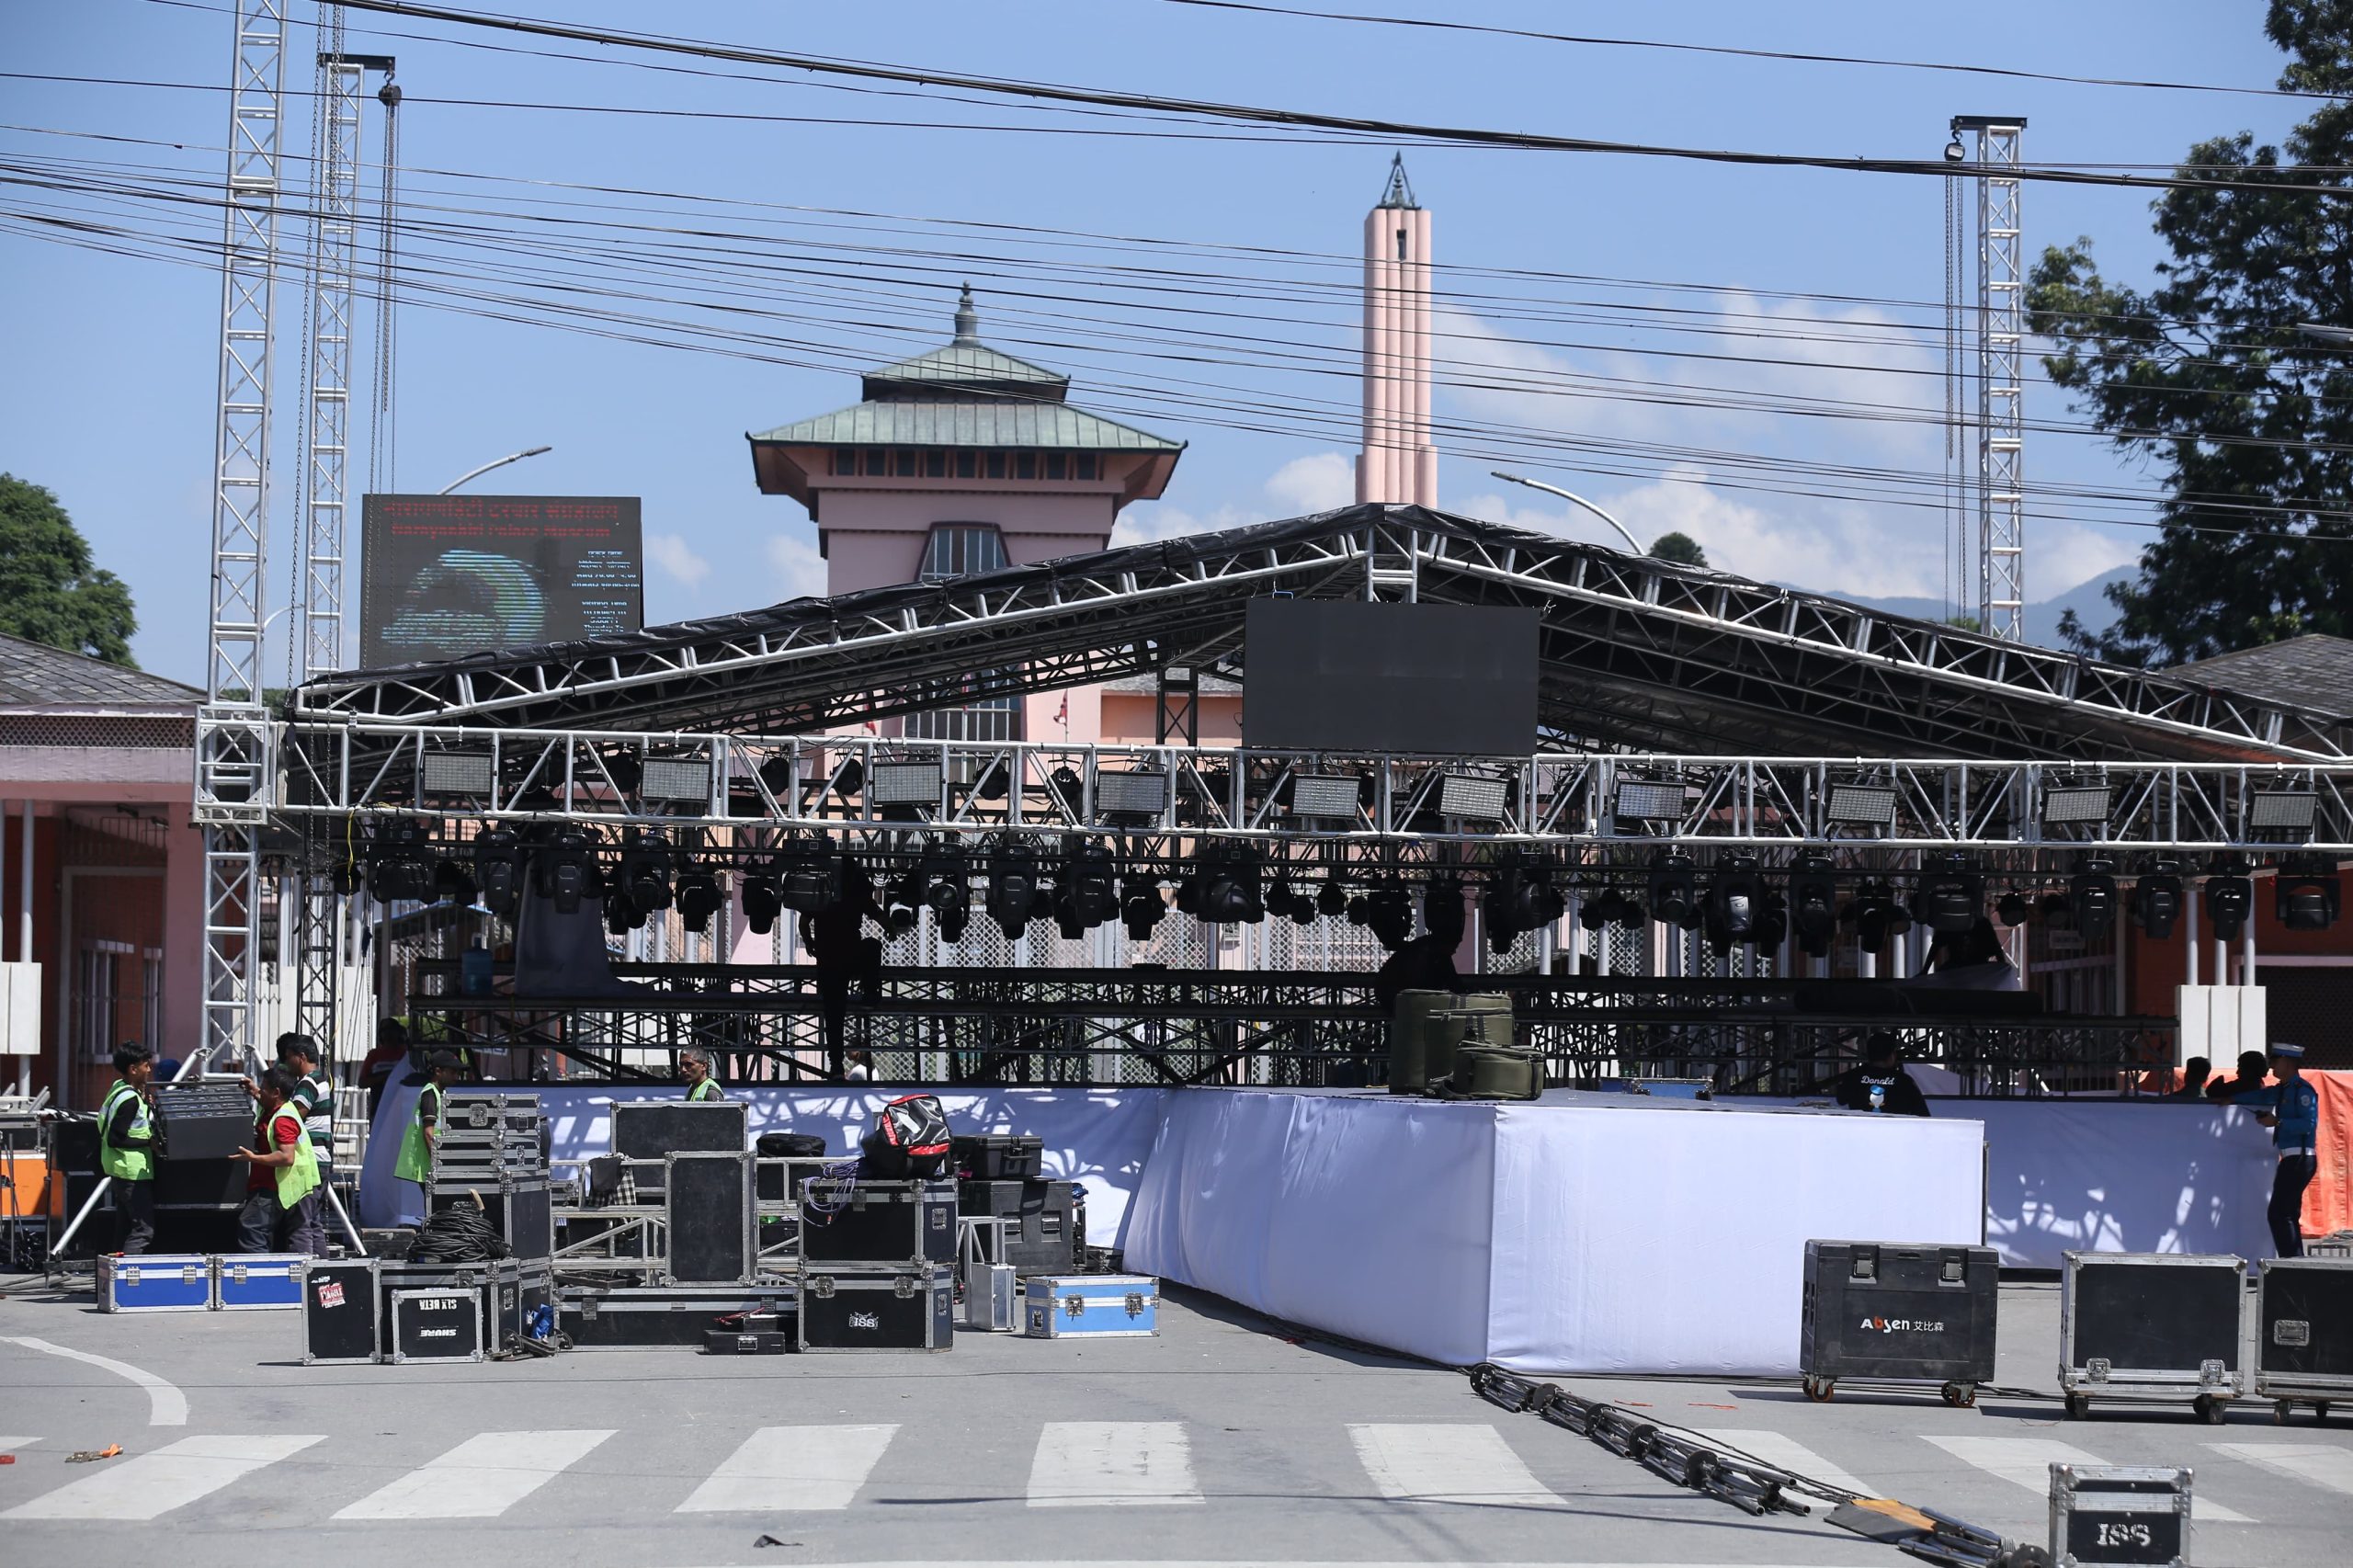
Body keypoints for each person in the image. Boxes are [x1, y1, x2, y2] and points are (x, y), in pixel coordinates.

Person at [2223, 1042, 2322, 1258]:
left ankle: (2291, 1262)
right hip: (2292, 1159)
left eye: (2275, 1061)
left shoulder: (2302, 1091)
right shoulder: (2284, 1089)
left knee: (2279, 1214)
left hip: (2299, 1158)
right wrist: (2232, 1099)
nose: (2271, 1066)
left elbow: (2308, 1124)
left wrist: (2277, 1122)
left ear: (2287, 1062)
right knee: (2287, 1213)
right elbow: (2261, 1096)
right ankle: (2295, 1261)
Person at [231, 1065, 324, 1256]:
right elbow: (268, 1102)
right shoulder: (283, 1108)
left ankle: (261, 1271)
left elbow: (286, 1156)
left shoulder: (283, 1120)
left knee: (252, 1227)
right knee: (288, 1230)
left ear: (276, 1093)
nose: (261, 1091)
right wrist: (255, 1092)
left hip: (278, 1185)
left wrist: (252, 1158)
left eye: (264, 1088)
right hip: (282, 1184)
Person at [97, 1041, 160, 1255]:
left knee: (124, 1227)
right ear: (133, 1069)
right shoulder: (130, 1101)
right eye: (146, 1065)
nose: (149, 1069)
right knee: (144, 1230)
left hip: (120, 1169)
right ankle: (128, 1269)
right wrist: (149, 1143)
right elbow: (116, 1138)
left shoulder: (119, 1088)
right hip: (132, 1172)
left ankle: (115, 1268)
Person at [392, 1048, 463, 1202]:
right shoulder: (430, 1094)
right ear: (438, 1071)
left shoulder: (436, 1093)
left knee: (435, 1205)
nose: (456, 1076)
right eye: (453, 1072)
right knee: (435, 1205)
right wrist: (438, 1163)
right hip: (428, 1163)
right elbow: (429, 1133)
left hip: (429, 1162)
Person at [276, 1032, 336, 1199]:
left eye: (289, 1057)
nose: (287, 1062)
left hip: (310, 1161)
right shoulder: (319, 1080)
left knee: (303, 1214)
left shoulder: (308, 1084)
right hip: (317, 1159)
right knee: (309, 1214)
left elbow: (292, 1119)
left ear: (301, 1057)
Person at [1832, 1032, 1930, 1117]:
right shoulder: (1905, 1081)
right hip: (1896, 1131)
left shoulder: (1853, 1077)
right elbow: (1922, 1114)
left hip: (1860, 1130)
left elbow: (1841, 1100)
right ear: (1892, 1056)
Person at [359, 1016, 410, 1119]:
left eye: (391, 1030)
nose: (388, 1034)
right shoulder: (374, 1055)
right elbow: (362, 1083)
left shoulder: (406, 1054)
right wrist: (383, 1078)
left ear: (398, 1033)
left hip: (402, 1108)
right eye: (385, 1031)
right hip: (379, 1108)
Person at [2203, 1049, 2271, 1101]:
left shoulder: (2241, 1087)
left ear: (2250, 1070)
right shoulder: (2262, 1089)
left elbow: (2212, 1092)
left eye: (2241, 1068)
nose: (2237, 1072)